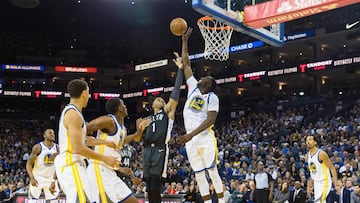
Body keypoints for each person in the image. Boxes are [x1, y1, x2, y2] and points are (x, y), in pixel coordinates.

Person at [176, 27, 225, 203]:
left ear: (209, 84)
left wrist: (190, 135)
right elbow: (187, 64)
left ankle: (221, 201)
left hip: (204, 138)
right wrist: (184, 41)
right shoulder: (194, 87)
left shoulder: (213, 97)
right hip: (191, 140)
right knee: (198, 175)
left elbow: (211, 120)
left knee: (212, 170)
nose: (202, 77)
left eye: (205, 77)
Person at [54, 79, 120, 203]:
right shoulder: (73, 115)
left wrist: (105, 142)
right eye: (88, 93)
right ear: (84, 93)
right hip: (70, 164)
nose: (89, 96)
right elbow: (78, 147)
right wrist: (105, 158)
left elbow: (84, 140)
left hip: (73, 164)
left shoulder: (74, 113)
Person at [86, 98, 150, 203]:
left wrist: (138, 132)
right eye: (123, 105)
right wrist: (91, 140)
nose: (125, 107)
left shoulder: (121, 127)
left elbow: (123, 141)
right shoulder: (109, 120)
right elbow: (85, 128)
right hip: (99, 169)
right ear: (119, 108)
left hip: (111, 172)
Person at [142, 52, 184, 203]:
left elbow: (175, 94)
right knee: (148, 189)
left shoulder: (167, 112)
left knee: (155, 188)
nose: (160, 100)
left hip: (160, 149)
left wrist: (180, 69)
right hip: (147, 151)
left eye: (162, 99)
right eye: (158, 99)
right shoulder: (148, 119)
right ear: (153, 104)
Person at [26, 129, 59, 202]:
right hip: (37, 177)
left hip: (51, 178)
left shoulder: (58, 148)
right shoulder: (38, 147)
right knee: (32, 201)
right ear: (44, 135)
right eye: (50, 133)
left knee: (54, 201)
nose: (52, 134)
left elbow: (58, 166)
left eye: (53, 133)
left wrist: (54, 180)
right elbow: (29, 164)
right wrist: (32, 178)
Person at [305, 134, 338, 203]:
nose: (308, 142)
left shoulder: (321, 154)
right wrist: (309, 186)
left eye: (310, 140)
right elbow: (312, 173)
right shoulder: (307, 156)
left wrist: (336, 184)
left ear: (315, 142)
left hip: (325, 181)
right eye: (307, 140)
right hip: (316, 183)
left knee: (321, 201)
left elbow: (332, 168)